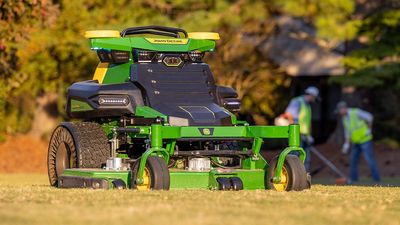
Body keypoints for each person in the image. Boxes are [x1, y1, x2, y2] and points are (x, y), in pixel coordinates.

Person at [336, 101, 380, 183]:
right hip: (356, 142)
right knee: (352, 160)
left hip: (365, 139)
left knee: (369, 159)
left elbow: (370, 117)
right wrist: (346, 144)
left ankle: (376, 179)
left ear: (343, 108)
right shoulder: (344, 119)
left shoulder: (355, 112)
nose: (339, 113)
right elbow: (347, 132)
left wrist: (369, 129)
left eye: (339, 110)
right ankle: (353, 179)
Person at [282, 86, 319, 172]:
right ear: (311, 95)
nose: (314, 100)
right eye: (314, 97)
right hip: (296, 134)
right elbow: (288, 114)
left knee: (306, 157)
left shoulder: (308, 106)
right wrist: (294, 130)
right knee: (294, 156)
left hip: (305, 135)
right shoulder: (297, 101)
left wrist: (309, 135)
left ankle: (303, 176)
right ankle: (292, 175)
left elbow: (307, 123)